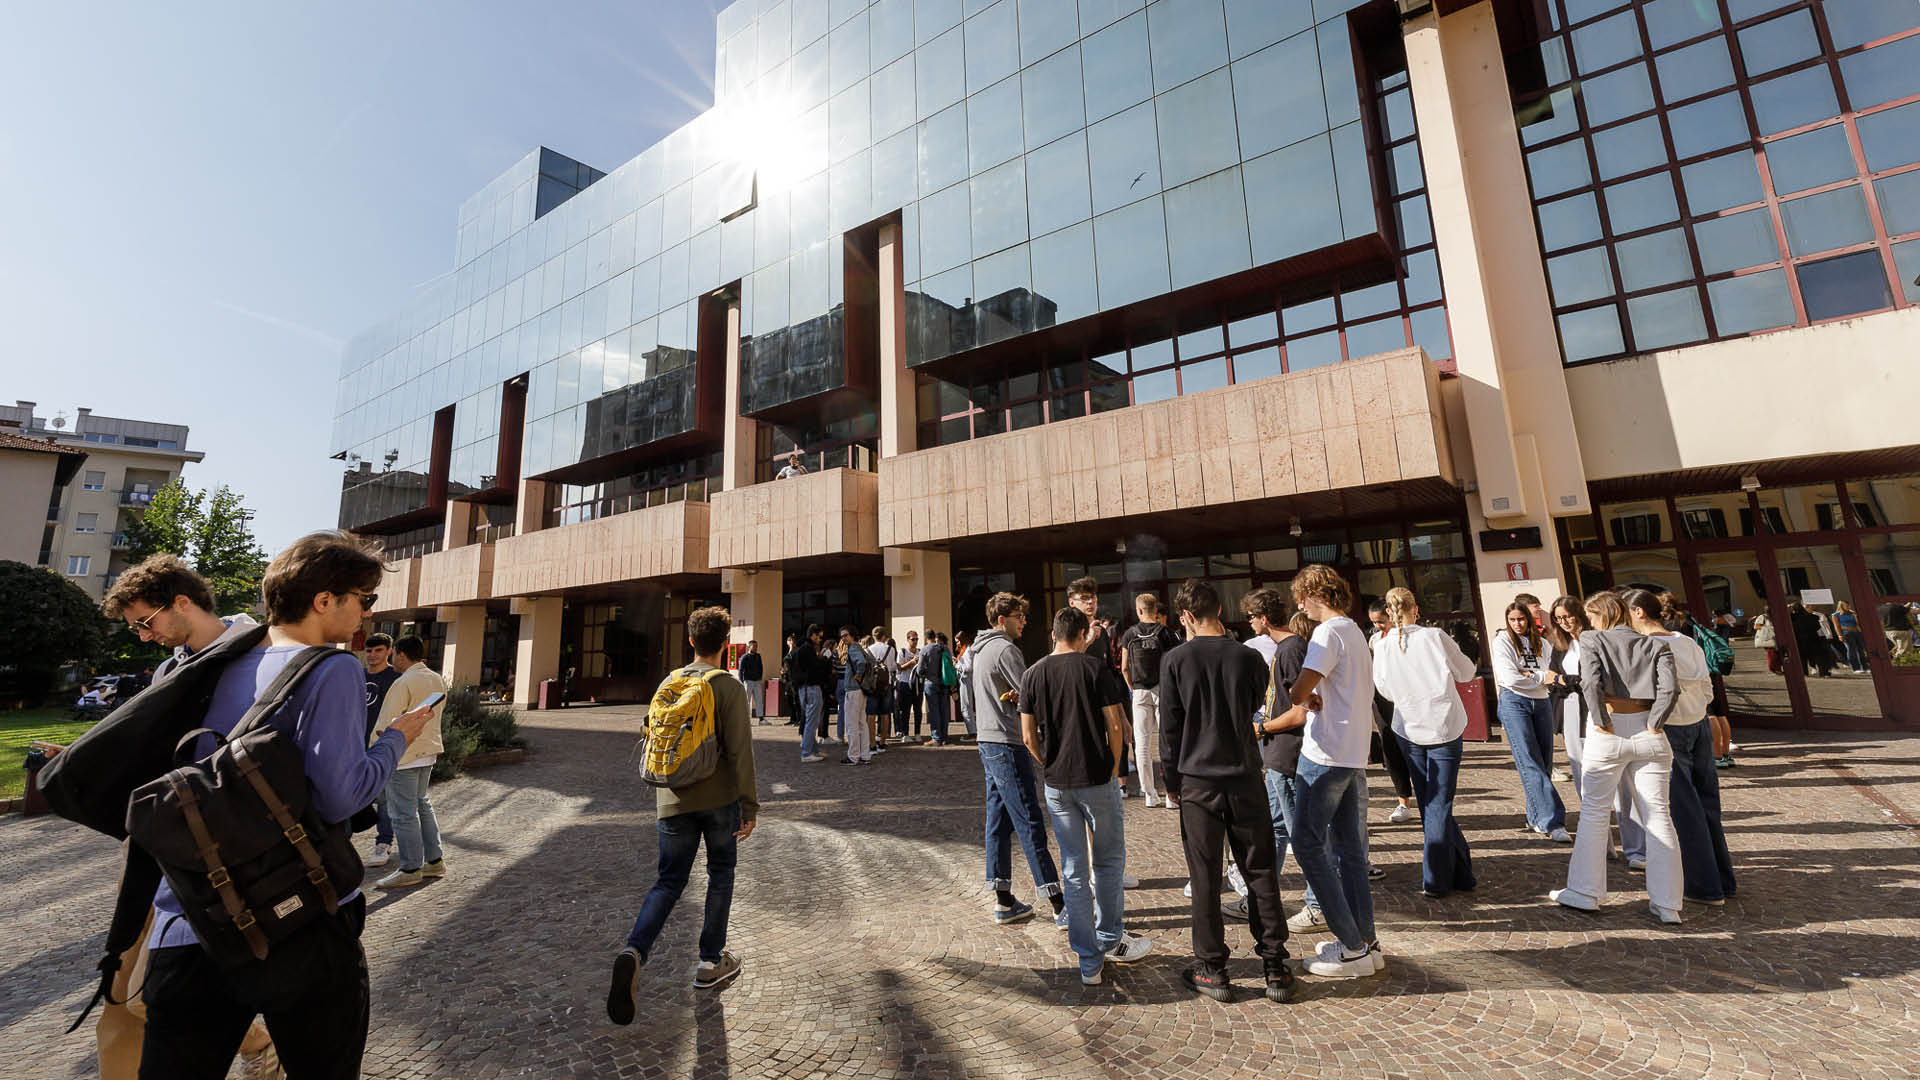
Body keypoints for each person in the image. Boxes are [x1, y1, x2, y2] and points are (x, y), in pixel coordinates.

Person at [137, 531, 435, 1077]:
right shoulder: (332, 667)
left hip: (189, 915)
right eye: (363, 599)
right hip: (301, 919)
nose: (368, 612)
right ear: (325, 601)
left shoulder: (205, 663)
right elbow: (340, 794)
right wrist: (397, 738)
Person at [97, 556, 282, 1080]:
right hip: (159, 847)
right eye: (135, 626)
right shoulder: (169, 667)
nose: (141, 635)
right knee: (124, 992)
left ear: (182, 602)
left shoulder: (264, 656)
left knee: (150, 994)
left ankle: (258, 1039)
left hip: (224, 855)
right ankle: (254, 1040)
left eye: (145, 622)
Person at [608, 606, 759, 1021]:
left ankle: (634, 950)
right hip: (720, 800)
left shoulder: (670, 682)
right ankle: (710, 961)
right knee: (721, 874)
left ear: (690, 641)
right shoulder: (728, 686)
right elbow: (741, 753)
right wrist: (750, 804)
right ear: (725, 644)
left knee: (668, 882)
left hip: (671, 799)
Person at [1160, 580, 1292, 1003]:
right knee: (1260, 871)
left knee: (1204, 876)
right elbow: (1258, 702)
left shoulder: (1176, 659)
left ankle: (1213, 969)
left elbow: (1170, 730)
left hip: (1198, 778)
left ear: (1185, 617)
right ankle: (1275, 965)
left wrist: (1172, 782)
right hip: (1245, 774)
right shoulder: (1249, 656)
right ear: (1219, 610)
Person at [1020, 605, 1151, 986]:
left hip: (1058, 782)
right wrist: (1113, 766)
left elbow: (1028, 735)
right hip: (1096, 778)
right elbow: (1114, 723)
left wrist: (1048, 761)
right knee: (1108, 862)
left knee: (1074, 870)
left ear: (1053, 635)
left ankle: (1088, 961)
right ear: (1081, 635)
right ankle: (1110, 937)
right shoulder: (1094, 668)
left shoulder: (1033, 674)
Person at [1267, 565, 1383, 978]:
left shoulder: (1327, 633)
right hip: (1352, 753)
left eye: (1301, 596)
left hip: (1326, 752)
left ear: (1315, 594)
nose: (1299, 604)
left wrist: (1307, 695)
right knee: (1351, 852)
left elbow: (1298, 690)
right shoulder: (1354, 631)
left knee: (1309, 844)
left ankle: (1351, 945)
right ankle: (1365, 941)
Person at [1549, 591, 1685, 923]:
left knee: (1595, 813)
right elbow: (1671, 689)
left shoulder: (1594, 639)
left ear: (1602, 614)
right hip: (1648, 730)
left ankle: (1585, 891)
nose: (1589, 622)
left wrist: (1600, 720)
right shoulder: (1656, 644)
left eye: (1592, 616)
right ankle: (1668, 903)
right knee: (1659, 816)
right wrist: (1655, 722)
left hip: (1608, 731)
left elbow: (1591, 683)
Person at [1369, 588, 1480, 899]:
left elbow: (1385, 690)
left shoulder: (1382, 643)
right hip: (1442, 723)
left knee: (1432, 801)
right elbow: (1466, 671)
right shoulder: (1434, 636)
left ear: (1390, 613)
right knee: (1438, 803)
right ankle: (1435, 878)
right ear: (1415, 609)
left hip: (1408, 725)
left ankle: (1462, 872)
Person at [969, 593, 1066, 927]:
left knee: (997, 822)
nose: (1024, 621)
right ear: (1001, 620)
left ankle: (1004, 899)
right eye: (1018, 616)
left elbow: (1008, 693)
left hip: (987, 739)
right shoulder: (1006, 649)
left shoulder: (979, 649)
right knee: (1029, 819)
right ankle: (1058, 903)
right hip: (1007, 743)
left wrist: (1012, 697)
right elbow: (1032, 694)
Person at [1639, 590, 1738, 908]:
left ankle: (1704, 886)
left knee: (1684, 809)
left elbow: (1653, 692)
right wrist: (1698, 709)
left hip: (1673, 727)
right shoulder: (1685, 640)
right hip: (1697, 723)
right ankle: (1723, 879)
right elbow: (1708, 683)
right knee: (1708, 804)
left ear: (1639, 613)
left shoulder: (1651, 646)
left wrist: (1656, 722)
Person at [1544, 597, 1640, 868]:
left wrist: (1566, 681)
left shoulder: (1597, 639)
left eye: (1568, 616)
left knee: (1619, 779)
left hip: (1600, 710)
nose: (1564, 622)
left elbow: (1593, 679)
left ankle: (1635, 848)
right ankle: (1602, 845)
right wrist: (1566, 682)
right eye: (1559, 619)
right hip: (1571, 712)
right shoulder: (1561, 645)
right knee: (1583, 778)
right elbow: (1552, 681)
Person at [1236, 591, 1313, 925]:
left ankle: (1318, 904)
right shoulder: (1284, 649)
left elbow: (1300, 713)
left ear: (1263, 617)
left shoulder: (1292, 649)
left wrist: (1261, 729)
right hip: (1277, 755)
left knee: (1303, 837)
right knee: (1275, 831)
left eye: (1251, 616)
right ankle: (1259, 899)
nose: (1249, 622)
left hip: (1288, 753)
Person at [368, 635, 449, 889]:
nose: (393, 659)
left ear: (401, 655)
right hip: (427, 751)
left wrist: (374, 752)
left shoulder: (403, 682)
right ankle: (434, 862)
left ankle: (410, 867)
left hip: (403, 753)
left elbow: (386, 723)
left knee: (403, 813)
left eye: (394, 655)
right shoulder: (436, 679)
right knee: (422, 805)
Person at [1492, 601, 1571, 843]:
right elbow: (1510, 677)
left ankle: (1534, 817)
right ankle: (1552, 822)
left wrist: (1532, 676)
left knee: (1544, 762)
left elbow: (1550, 673)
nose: (1517, 624)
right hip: (1514, 702)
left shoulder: (1542, 643)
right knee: (1530, 762)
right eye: (1513, 620)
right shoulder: (1502, 641)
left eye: (1522, 619)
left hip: (1541, 702)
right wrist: (1540, 677)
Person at [1118, 592, 1180, 807]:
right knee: (1167, 741)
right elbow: (1174, 665)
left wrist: (1132, 689)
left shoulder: (1129, 634)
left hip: (1139, 691)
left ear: (1138, 610)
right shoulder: (1166, 633)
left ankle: (1149, 794)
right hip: (1162, 689)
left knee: (1142, 744)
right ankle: (1172, 792)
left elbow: (1124, 667)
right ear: (1156, 610)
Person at [1364, 600, 1417, 824]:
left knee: (1413, 747)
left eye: (1381, 622)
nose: (1378, 627)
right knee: (1391, 749)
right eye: (1374, 623)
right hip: (1382, 700)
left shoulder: (1404, 638)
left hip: (1406, 698)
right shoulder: (1375, 639)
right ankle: (1403, 800)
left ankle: (1424, 794)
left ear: (1391, 617)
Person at [361, 632, 401, 867]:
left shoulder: (395, 678)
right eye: (369, 651)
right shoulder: (357, 676)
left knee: (385, 797)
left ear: (389, 651)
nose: (372, 655)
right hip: (355, 743)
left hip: (381, 745)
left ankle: (383, 842)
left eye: (378, 650)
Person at [836, 627, 874, 766]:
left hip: (853, 689)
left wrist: (858, 675)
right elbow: (870, 661)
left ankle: (853, 756)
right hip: (862, 690)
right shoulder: (860, 647)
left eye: (846, 635)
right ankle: (865, 755)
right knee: (862, 724)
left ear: (852, 636)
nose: (843, 639)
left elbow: (862, 663)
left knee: (852, 724)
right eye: (842, 636)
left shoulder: (852, 648)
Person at [791, 625, 828, 763]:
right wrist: (823, 658)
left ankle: (813, 750)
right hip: (811, 687)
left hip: (803, 688)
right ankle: (807, 753)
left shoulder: (799, 648)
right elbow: (815, 667)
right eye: (819, 636)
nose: (820, 639)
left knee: (809, 720)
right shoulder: (808, 648)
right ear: (812, 635)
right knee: (812, 720)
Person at [918, 630, 954, 746]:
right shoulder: (945, 648)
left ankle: (936, 738)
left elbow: (919, 670)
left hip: (931, 683)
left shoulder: (925, 649)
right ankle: (944, 736)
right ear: (934, 637)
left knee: (934, 711)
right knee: (943, 710)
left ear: (926, 638)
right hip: (944, 683)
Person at [867, 627, 898, 751]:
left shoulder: (868, 650)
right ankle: (883, 742)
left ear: (873, 636)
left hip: (872, 685)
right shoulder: (890, 649)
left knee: (871, 715)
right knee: (885, 714)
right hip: (886, 685)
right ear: (884, 636)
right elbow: (892, 667)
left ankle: (872, 744)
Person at [894, 629, 923, 741]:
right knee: (905, 710)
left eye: (916, 639)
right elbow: (899, 668)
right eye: (912, 639)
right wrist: (911, 663)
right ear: (908, 640)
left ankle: (917, 733)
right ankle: (905, 734)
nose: (915, 641)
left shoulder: (920, 652)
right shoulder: (902, 652)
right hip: (905, 683)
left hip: (917, 683)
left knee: (918, 710)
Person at [1833, 600, 1869, 673]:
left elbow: (1858, 623)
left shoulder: (1852, 613)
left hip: (1857, 632)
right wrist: (1840, 635)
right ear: (1842, 606)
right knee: (1851, 650)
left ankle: (1865, 667)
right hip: (1846, 633)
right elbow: (1837, 626)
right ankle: (1856, 668)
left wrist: (1855, 616)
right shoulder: (1836, 615)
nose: (1849, 607)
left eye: (1849, 605)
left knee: (1861, 650)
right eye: (1847, 606)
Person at [954, 630, 977, 740]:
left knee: (966, 706)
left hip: (966, 680)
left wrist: (956, 666)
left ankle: (972, 732)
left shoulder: (968, 651)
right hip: (965, 680)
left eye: (958, 641)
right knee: (967, 706)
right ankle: (973, 731)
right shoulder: (966, 649)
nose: (957, 644)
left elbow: (968, 667)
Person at [737, 640, 765, 724]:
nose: (756, 648)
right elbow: (740, 670)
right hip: (748, 681)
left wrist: (760, 677)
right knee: (746, 700)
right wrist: (742, 681)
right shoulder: (744, 657)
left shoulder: (758, 656)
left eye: (757, 646)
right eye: (754, 646)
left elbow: (761, 667)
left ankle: (761, 719)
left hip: (756, 681)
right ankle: (745, 719)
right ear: (749, 647)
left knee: (759, 700)